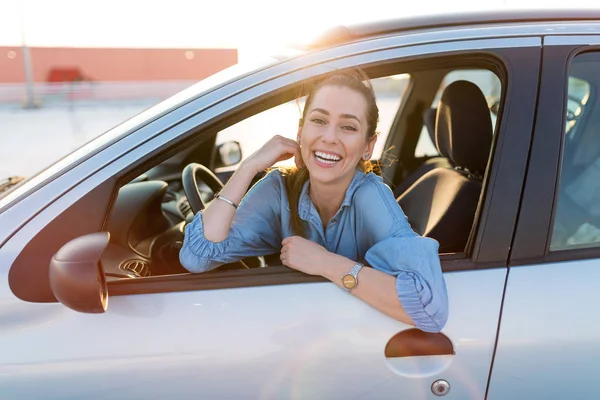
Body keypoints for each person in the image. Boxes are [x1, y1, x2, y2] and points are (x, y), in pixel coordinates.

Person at [180, 69, 448, 333]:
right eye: (319, 121)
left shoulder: (369, 195)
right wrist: (249, 167)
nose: (329, 137)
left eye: (348, 127)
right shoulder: (278, 189)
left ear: (368, 147)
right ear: (300, 131)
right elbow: (197, 256)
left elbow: (429, 308)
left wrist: (324, 263)